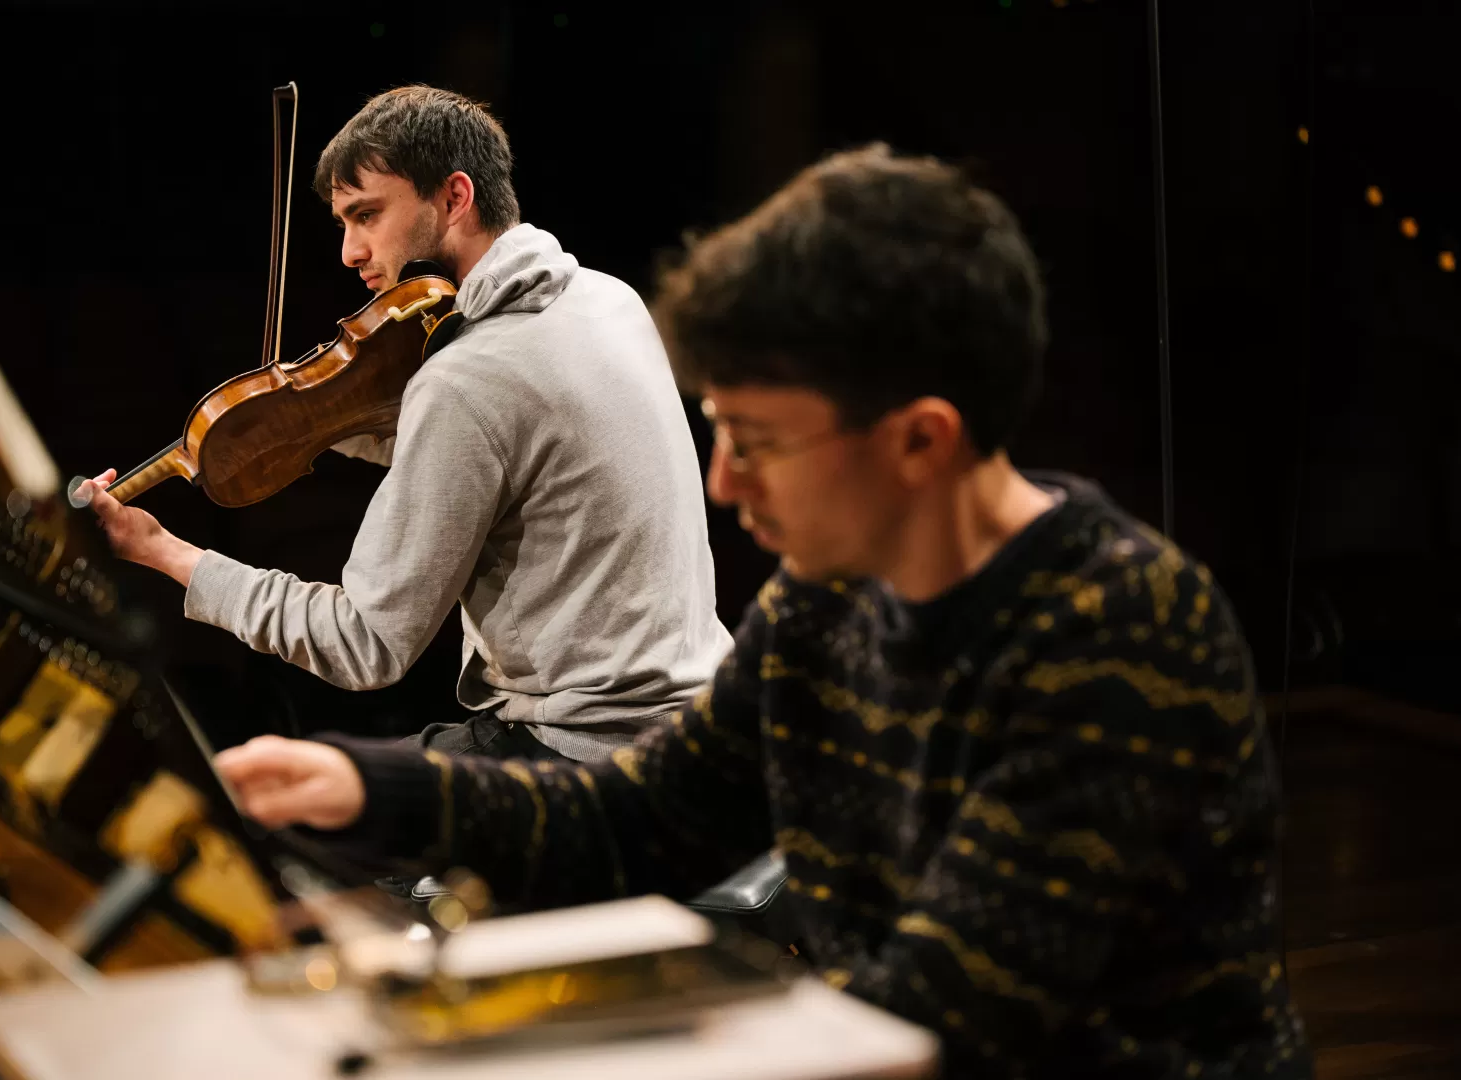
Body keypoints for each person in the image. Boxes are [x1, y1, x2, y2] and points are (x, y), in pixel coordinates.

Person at [214, 145, 1310, 1077]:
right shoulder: (824, 608)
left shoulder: (1117, 640)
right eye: (719, 432)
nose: (724, 485)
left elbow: (941, 1019)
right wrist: (366, 787)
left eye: (760, 442)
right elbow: (641, 821)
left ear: (920, 441)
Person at [79, 86, 731, 764]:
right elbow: (501, 451)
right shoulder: (607, 299)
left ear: (454, 197)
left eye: (366, 216)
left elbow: (364, 644)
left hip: (581, 753)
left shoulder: (469, 379)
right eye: (341, 224)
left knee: (286, 819)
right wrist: (313, 421)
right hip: (700, 722)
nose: (349, 252)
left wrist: (159, 550)